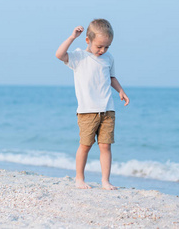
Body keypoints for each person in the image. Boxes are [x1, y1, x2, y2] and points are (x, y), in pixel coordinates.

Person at [55, 19, 129, 190]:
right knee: (85, 145)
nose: (102, 50)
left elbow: (111, 78)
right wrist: (72, 37)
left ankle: (105, 180)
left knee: (105, 146)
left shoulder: (108, 58)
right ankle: (79, 178)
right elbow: (59, 55)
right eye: (99, 47)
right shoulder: (79, 57)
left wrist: (121, 91)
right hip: (87, 111)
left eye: (107, 47)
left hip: (107, 109)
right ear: (88, 40)